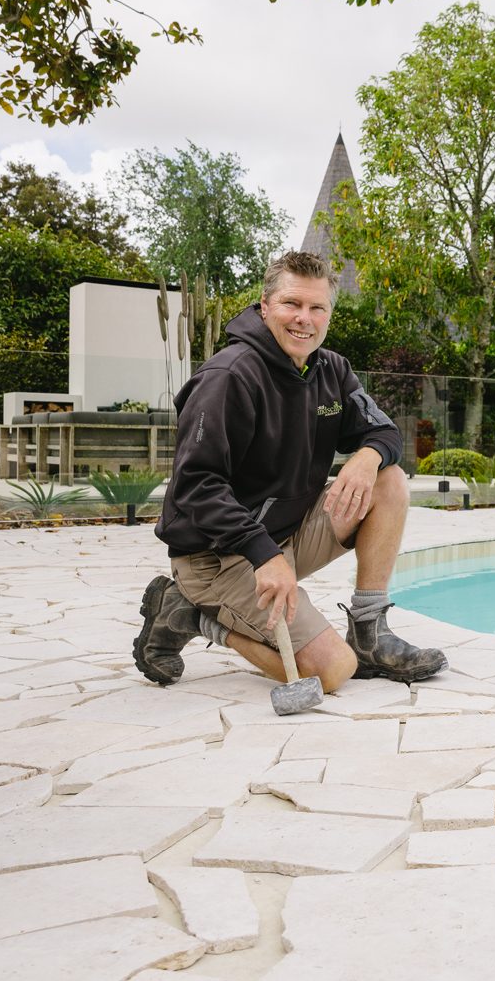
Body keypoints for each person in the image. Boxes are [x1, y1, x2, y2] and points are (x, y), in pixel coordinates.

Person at [134, 251, 447, 690]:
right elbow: (196, 485)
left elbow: (385, 433)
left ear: (329, 314)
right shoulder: (229, 376)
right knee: (333, 671)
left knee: (388, 479)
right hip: (217, 557)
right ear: (265, 307)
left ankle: (369, 631)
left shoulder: (331, 370)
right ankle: (190, 614)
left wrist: (368, 456)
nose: (305, 319)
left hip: (287, 537)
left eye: (317, 307)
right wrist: (263, 554)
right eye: (292, 304)